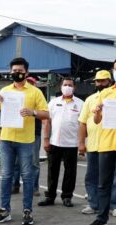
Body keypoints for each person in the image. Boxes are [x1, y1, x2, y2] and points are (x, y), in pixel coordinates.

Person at [0, 57, 48, 225]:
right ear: (10, 72)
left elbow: (46, 113)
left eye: (20, 71)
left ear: (27, 72)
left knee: (27, 176)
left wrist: (32, 112)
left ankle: (27, 211)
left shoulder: (35, 92)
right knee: (6, 176)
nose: (17, 73)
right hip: (7, 139)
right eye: (14, 71)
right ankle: (5, 210)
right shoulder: (5, 91)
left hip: (26, 140)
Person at [88, 57, 116, 225]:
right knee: (103, 183)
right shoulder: (105, 93)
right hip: (106, 144)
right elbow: (96, 120)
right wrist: (96, 111)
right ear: (112, 71)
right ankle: (102, 217)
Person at [78, 70, 116, 215]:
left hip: (112, 144)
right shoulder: (90, 100)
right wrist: (81, 143)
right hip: (94, 145)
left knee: (115, 178)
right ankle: (94, 204)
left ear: (110, 81)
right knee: (92, 176)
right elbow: (82, 123)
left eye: (103, 81)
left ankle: (114, 205)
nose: (100, 83)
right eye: (98, 81)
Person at [38, 78, 83, 207]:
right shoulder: (53, 102)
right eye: (65, 85)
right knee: (52, 170)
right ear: (60, 86)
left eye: (70, 85)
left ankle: (67, 196)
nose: (67, 87)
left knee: (70, 172)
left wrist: (81, 143)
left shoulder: (80, 104)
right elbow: (47, 121)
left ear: (74, 88)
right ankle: (50, 197)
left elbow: (82, 125)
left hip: (71, 144)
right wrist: (46, 139)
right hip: (54, 143)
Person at [12, 76, 42, 196]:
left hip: (34, 132)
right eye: (27, 82)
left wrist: (33, 112)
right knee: (16, 162)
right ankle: (15, 185)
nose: (29, 84)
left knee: (34, 162)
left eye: (32, 83)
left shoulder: (38, 96)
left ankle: (34, 187)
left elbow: (44, 114)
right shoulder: (15, 96)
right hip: (18, 132)